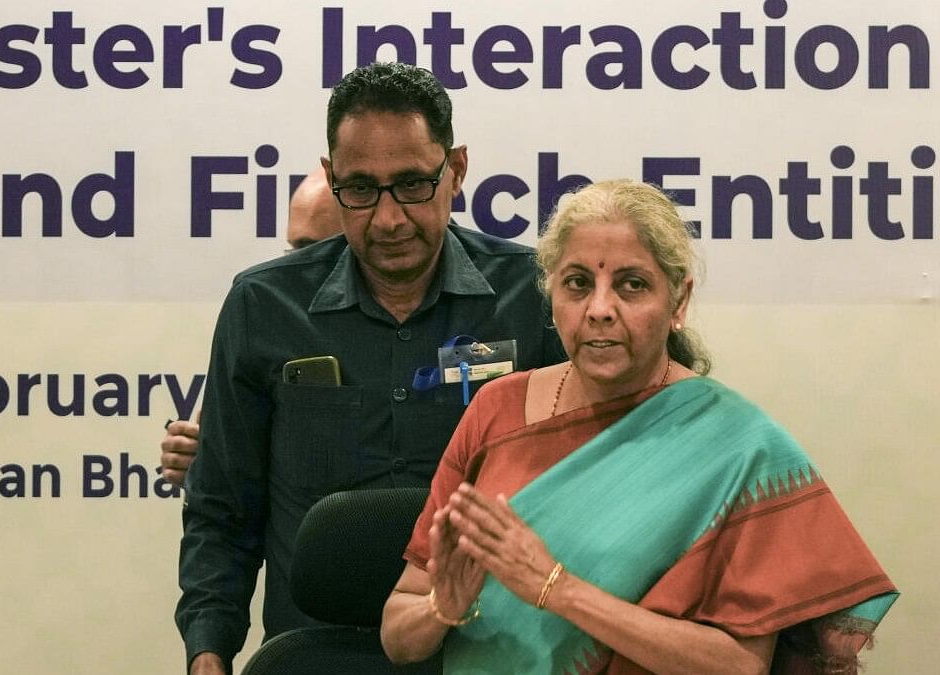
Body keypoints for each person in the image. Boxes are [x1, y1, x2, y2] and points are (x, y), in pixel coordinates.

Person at [381, 179, 898, 674]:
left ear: (679, 301)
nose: (600, 309)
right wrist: (442, 609)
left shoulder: (738, 447)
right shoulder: (495, 411)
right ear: (552, 296)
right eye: (578, 284)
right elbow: (398, 633)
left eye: (631, 285)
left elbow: (739, 664)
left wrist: (558, 589)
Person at [176, 62, 567, 675]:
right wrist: (208, 654)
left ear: (456, 170)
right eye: (360, 189)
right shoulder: (264, 306)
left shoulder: (535, 297)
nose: (387, 219)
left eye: (412, 184)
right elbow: (222, 510)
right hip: (316, 653)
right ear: (332, 180)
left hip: (490, 649)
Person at [159, 165, 343, 488]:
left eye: (314, 250)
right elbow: (232, 491)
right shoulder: (264, 321)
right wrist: (206, 467)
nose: (298, 266)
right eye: (295, 250)